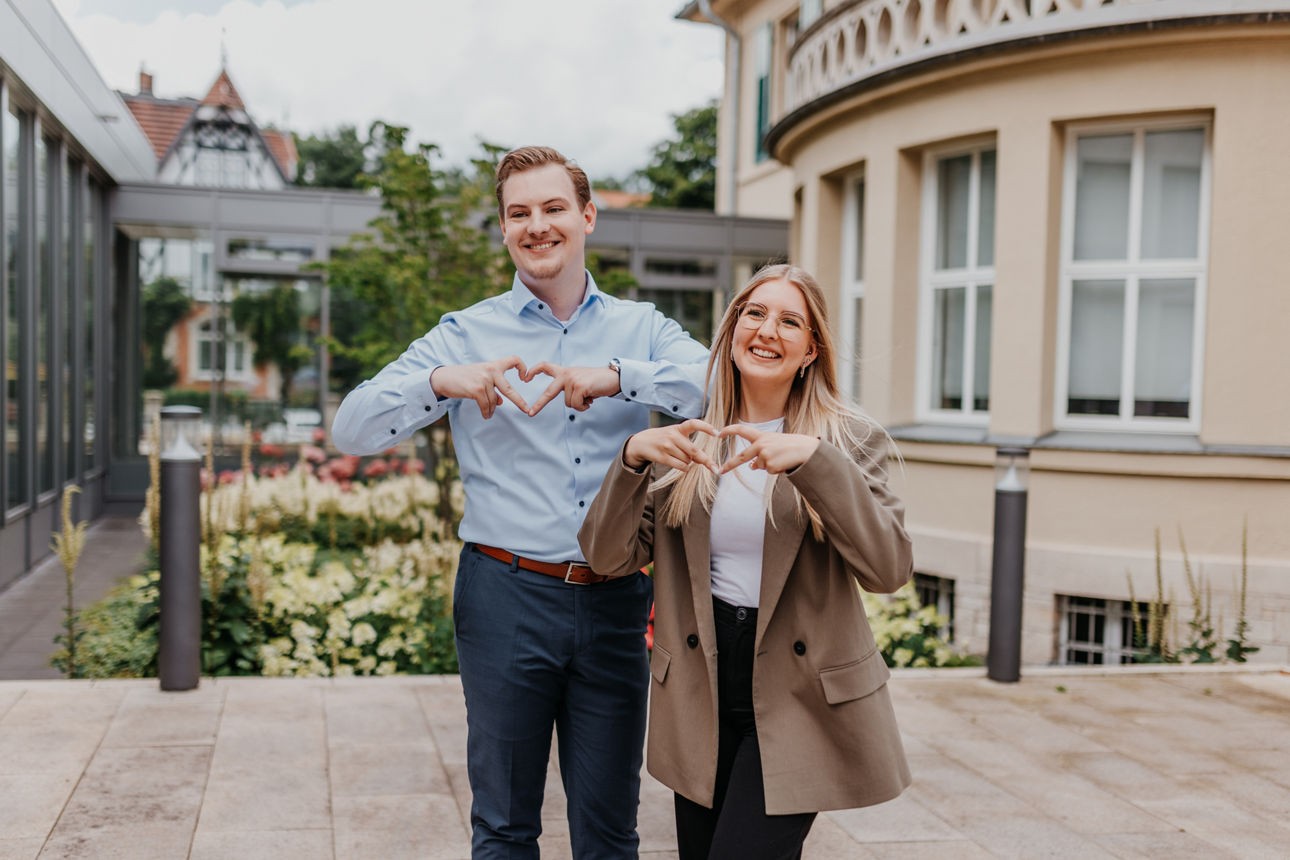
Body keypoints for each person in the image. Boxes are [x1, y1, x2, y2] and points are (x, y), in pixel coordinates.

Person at [331, 145, 709, 859]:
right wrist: (441, 380)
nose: (537, 225)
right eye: (519, 213)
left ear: (588, 216)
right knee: (504, 826)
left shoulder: (641, 329)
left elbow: (714, 387)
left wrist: (617, 377)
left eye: (553, 208)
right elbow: (351, 425)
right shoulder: (464, 332)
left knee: (609, 830)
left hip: (614, 599)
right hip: (504, 595)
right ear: (504, 229)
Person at [579, 263, 914, 860]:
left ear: (812, 349)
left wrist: (815, 463)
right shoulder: (689, 439)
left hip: (798, 694)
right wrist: (629, 459)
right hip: (702, 683)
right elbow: (607, 558)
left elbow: (886, 570)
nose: (768, 330)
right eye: (755, 313)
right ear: (732, 330)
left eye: (791, 321)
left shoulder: (850, 442)